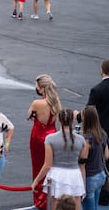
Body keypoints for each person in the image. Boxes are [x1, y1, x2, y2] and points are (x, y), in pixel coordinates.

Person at [31, 109, 86, 210]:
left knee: (55, 205)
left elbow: (47, 165)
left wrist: (36, 180)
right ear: (72, 120)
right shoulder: (81, 140)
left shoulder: (50, 139)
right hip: (75, 176)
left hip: (57, 176)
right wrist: (83, 186)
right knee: (76, 203)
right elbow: (82, 165)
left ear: (58, 120)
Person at [28, 74, 62, 210]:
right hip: (52, 134)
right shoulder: (56, 102)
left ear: (42, 89)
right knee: (51, 167)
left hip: (38, 137)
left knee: (38, 168)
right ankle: (50, 198)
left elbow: (29, 115)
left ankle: (40, 201)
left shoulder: (37, 103)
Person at [80, 106, 109, 210]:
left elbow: (82, 162)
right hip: (101, 175)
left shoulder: (87, 139)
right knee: (95, 206)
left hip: (89, 177)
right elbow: (106, 156)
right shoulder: (103, 134)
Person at [87, 59, 109, 136]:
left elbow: (89, 111)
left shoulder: (97, 90)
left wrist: (78, 116)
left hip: (102, 130)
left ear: (102, 71)